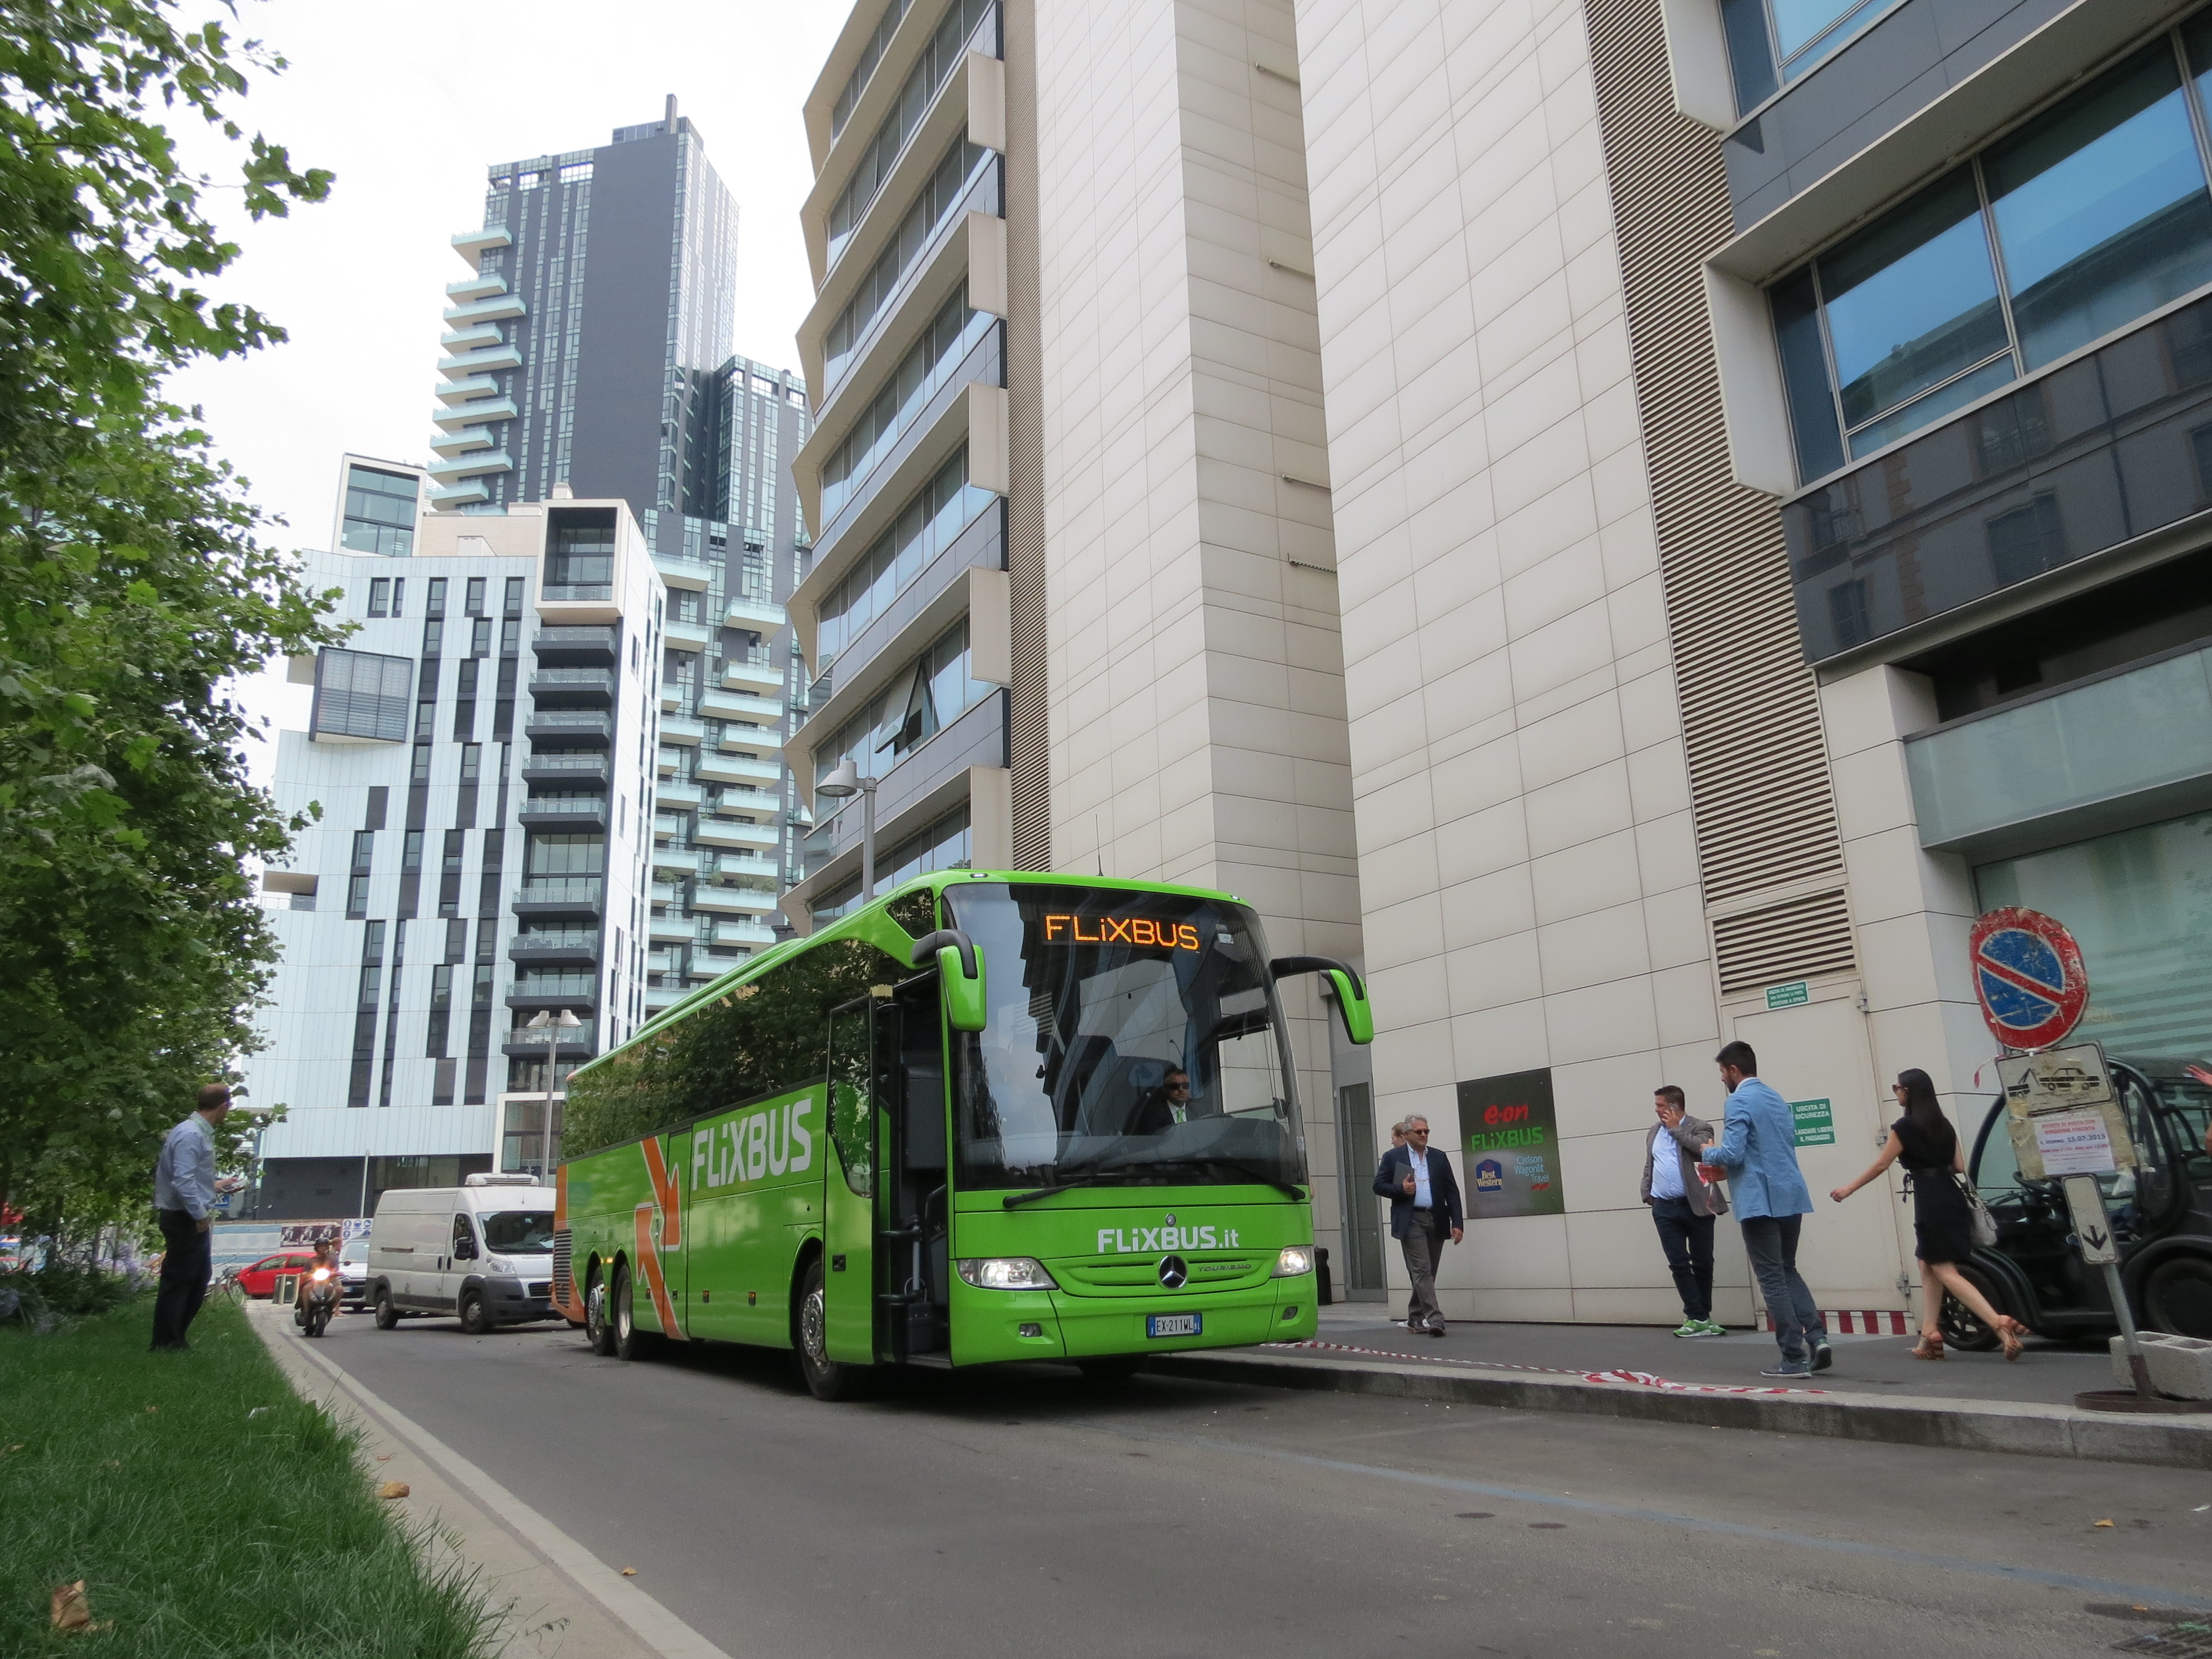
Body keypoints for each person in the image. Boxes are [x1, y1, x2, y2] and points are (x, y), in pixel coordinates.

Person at [1830, 1068, 2028, 1362]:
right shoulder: (1944, 1124)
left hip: (1930, 1200)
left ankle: (1997, 1322)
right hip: (1951, 1196)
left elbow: (1882, 1165)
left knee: (1945, 1270)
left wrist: (1849, 1188)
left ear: (1908, 1091)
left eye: (1897, 1088)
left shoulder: (1904, 1127)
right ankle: (1929, 1334)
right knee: (1926, 1263)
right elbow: (1959, 1166)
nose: (1896, 1093)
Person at [1697, 1042, 1829, 1378]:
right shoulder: (1775, 1098)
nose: (1722, 1079)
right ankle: (1818, 1338)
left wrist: (1707, 1151)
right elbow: (1768, 1150)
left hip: (1760, 1201)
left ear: (1734, 1070)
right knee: (1788, 1269)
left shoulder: (1738, 1100)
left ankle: (1793, 1357)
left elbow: (1733, 1154)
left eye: (1723, 1072)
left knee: (1771, 1278)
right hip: (1791, 1195)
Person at [1640, 1085, 1728, 1337]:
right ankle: (1696, 1316)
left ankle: (1703, 1317)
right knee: (1678, 1263)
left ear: (1674, 1107)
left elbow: (1702, 1150)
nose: (1656, 1110)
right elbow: (1650, 1163)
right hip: (1665, 1207)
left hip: (1698, 1205)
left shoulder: (1701, 1127)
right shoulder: (1654, 1131)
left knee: (1703, 1263)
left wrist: (1676, 1129)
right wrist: (1647, 1192)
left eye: (1660, 1106)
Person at [151, 1083, 230, 1352]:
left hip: (185, 1213)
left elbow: (189, 1178)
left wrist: (215, 1186)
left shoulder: (191, 1131)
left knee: (197, 1276)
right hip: (184, 1217)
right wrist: (199, 1215)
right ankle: (167, 1342)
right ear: (223, 1107)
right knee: (181, 1279)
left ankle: (174, 1338)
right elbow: (182, 1180)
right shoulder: (192, 1135)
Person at [1371, 1115, 1463, 1336]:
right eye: (1419, 1132)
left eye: (1426, 1132)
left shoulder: (1439, 1157)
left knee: (1429, 1272)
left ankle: (1414, 1317)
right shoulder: (1393, 1157)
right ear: (1407, 1135)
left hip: (1437, 1218)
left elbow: (1452, 1191)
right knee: (1422, 1270)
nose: (1423, 1135)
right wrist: (1401, 1190)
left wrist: (1458, 1223)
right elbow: (1378, 1186)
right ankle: (1435, 1318)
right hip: (1411, 1219)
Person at [1127, 1066, 1196, 1135]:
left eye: (1185, 1085)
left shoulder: (1197, 1110)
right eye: (1175, 1086)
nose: (1181, 1090)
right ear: (1165, 1089)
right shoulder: (1152, 1116)